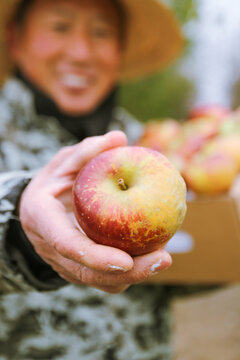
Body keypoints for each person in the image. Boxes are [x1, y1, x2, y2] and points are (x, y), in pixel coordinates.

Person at [0, 0, 185, 358]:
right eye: (59, 27)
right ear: (16, 39)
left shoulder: (154, 147)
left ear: (120, 49)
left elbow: (180, 271)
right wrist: (19, 227)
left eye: (101, 32)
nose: (82, 52)